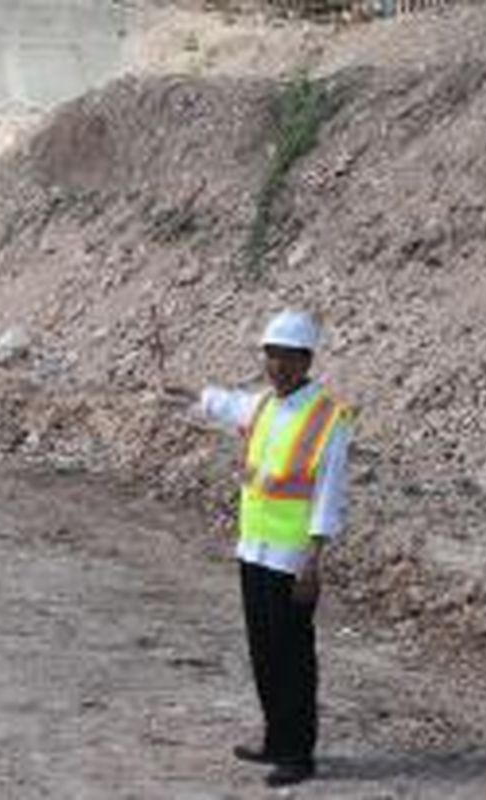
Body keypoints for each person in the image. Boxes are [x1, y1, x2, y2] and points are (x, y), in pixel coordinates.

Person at [194, 309, 351, 788]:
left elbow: (329, 493)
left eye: (287, 357)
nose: (277, 365)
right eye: (271, 355)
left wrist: (314, 560)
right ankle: (274, 739)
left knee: (292, 657)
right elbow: (227, 404)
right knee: (263, 651)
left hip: (292, 560)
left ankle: (298, 753)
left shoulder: (329, 417)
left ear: (306, 360)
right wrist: (191, 394)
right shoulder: (263, 406)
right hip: (254, 551)